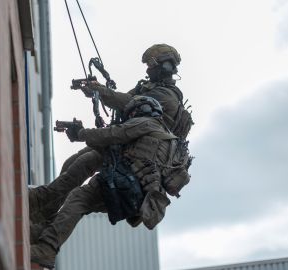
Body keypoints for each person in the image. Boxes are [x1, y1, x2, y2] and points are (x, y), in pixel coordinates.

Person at [29, 44, 193, 226]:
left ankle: (39, 203)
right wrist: (96, 88)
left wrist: (100, 91)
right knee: (73, 162)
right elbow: (122, 99)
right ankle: (46, 211)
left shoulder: (166, 96)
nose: (148, 68)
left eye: (152, 64)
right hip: (126, 145)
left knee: (83, 165)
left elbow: (127, 102)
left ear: (166, 66)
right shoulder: (149, 87)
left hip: (134, 156)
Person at [30, 96, 191, 269]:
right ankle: (41, 234)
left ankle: (47, 248)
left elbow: (114, 134)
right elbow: (115, 152)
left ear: (140, 111)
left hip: (124, 184)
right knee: (80, 205)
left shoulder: (146, 124)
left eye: (131, 114)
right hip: (139, 199)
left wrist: (81, 133)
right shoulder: (165, 139)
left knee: (79, 198)